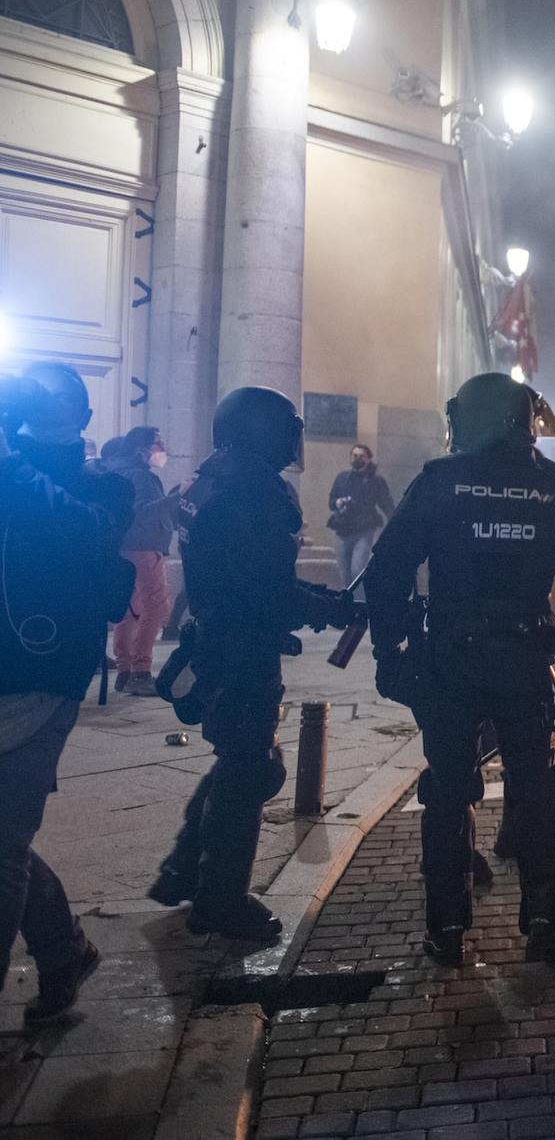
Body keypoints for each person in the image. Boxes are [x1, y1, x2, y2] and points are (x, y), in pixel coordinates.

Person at [364, 373, 555, 965]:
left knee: (447, 791)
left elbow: (386, 568)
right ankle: (547, 919)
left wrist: (388, 649)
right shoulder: (552, 487)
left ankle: (446, 928)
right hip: (525, 664)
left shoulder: (440, 481)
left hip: (450, 663)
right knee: (538, 788)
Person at [150, 387, 356, 939]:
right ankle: (219, 900)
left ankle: (180, 872)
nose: (294, 438)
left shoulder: (213, 478)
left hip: (217, 634)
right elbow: (266, 587)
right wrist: (325, 607)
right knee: (249, 770)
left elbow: (248, 570)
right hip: (241, 645)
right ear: (261, 429)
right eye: (287, 426)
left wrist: (316, 599)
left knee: (240, 760)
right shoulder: (255, 491)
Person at [1, 364, 133, 1024]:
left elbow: (80, 530)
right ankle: (62, 949)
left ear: (85, 418)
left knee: (2, 847)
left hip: (41, 680)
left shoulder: (103, 485)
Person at [101, 425, 178, 695]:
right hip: (144, 547)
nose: (162, 449)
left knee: (130, 611)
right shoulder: (140, 476)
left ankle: (124, 670)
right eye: (157, 444)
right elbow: (144, 512)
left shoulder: (117, 471)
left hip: (124, 547)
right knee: (155, 608)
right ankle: (141, 672)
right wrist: (178, 497)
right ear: (141, 449)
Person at [328, 443, 396, 591]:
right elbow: (332, 501)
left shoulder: (376, 481)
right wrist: (338, 502)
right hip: (342, 530)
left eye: (361, 456)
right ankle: (346, 603)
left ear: (369, 459)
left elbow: (387, 505)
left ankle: (360, 603)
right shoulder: (342, 478)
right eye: (355, 455)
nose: (357, 458)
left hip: (363, 531)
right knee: (343, 571)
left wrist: (395, 524)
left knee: (357, 569)